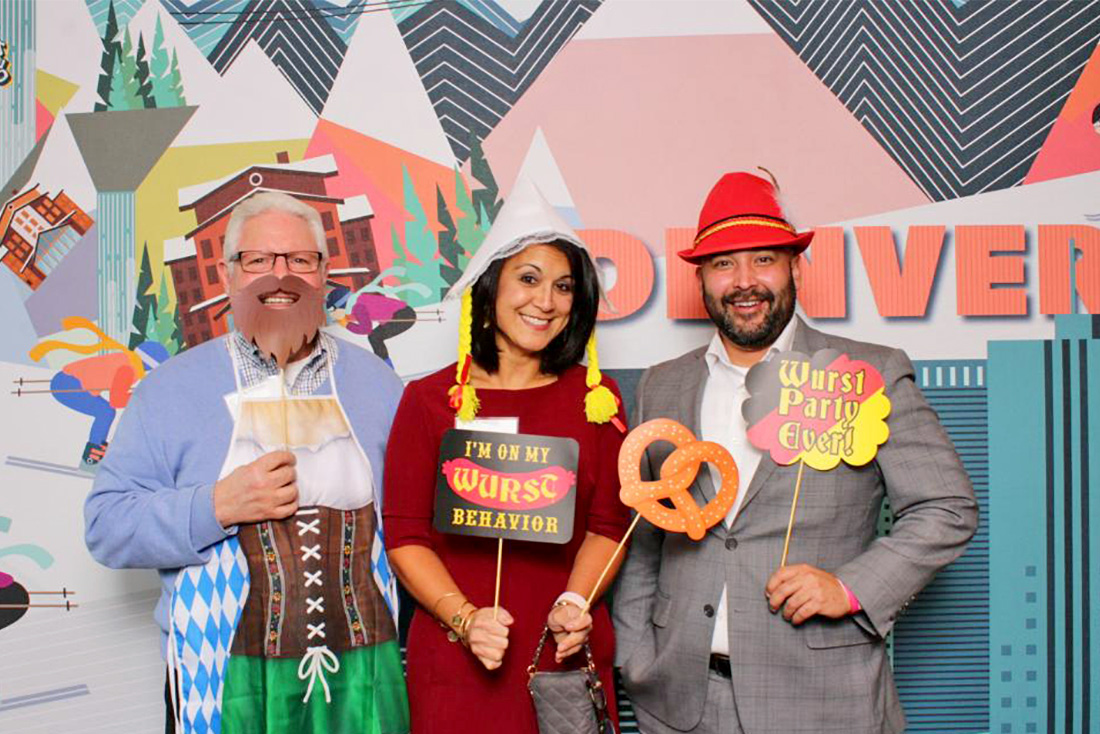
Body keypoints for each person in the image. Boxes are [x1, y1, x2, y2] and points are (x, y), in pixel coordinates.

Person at [613, 171, 979, 733]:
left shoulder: (867, 373)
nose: (743, 281)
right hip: (680, 703)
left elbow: (946, 507)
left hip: (824, 701)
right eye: (722, 264)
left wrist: (851, 586)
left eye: (763, 260)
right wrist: (636, 655)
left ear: (795, 268)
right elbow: (646, 532)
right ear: (702, 279)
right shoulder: (662, 385)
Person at [84, 192, 409, 734]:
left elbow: (412, 528)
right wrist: (215, 505)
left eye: (300, 261)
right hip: (220, 679)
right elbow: (106, 526)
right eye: (258, 260)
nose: (278, 277)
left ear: (325, 274)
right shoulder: (169, 390)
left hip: (363, 678)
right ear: (228, 275)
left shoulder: (378, 386)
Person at [383, 179, 631, 733]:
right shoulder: (428, 400)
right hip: (457, 655)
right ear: (489, 289)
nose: (546, 301)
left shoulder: (597, 398)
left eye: (564, 286)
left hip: (559, 651)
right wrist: (465, 618)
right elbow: (404, 535)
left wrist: (576, 602)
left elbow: (608, 525)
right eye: (528, 278)